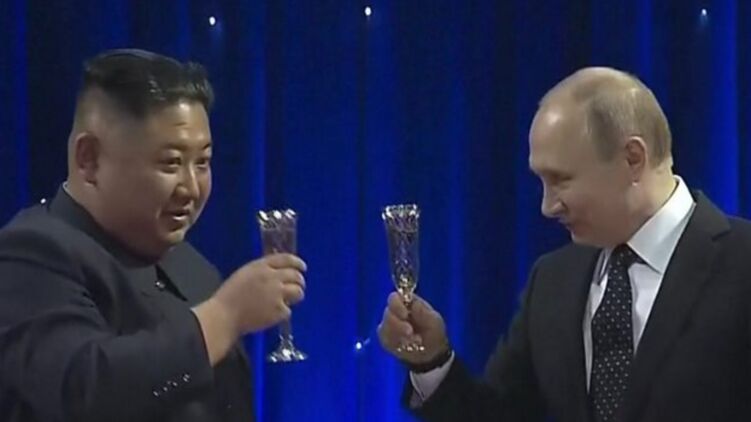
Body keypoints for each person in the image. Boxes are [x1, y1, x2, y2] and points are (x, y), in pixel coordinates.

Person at [378, 67, 751, 421]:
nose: (547, 206)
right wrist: (431, 361)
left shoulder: (742, 263)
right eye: (542, 181)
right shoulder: (552, 281)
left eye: (561, 180)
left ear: (632, 159)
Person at [0, 49, 306, 422]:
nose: (191, 188)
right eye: (171, 163)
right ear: (89, 159)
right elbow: (84, 389)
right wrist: (224, 317)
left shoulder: (190, 264)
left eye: (202, 162)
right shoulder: (30, 253)